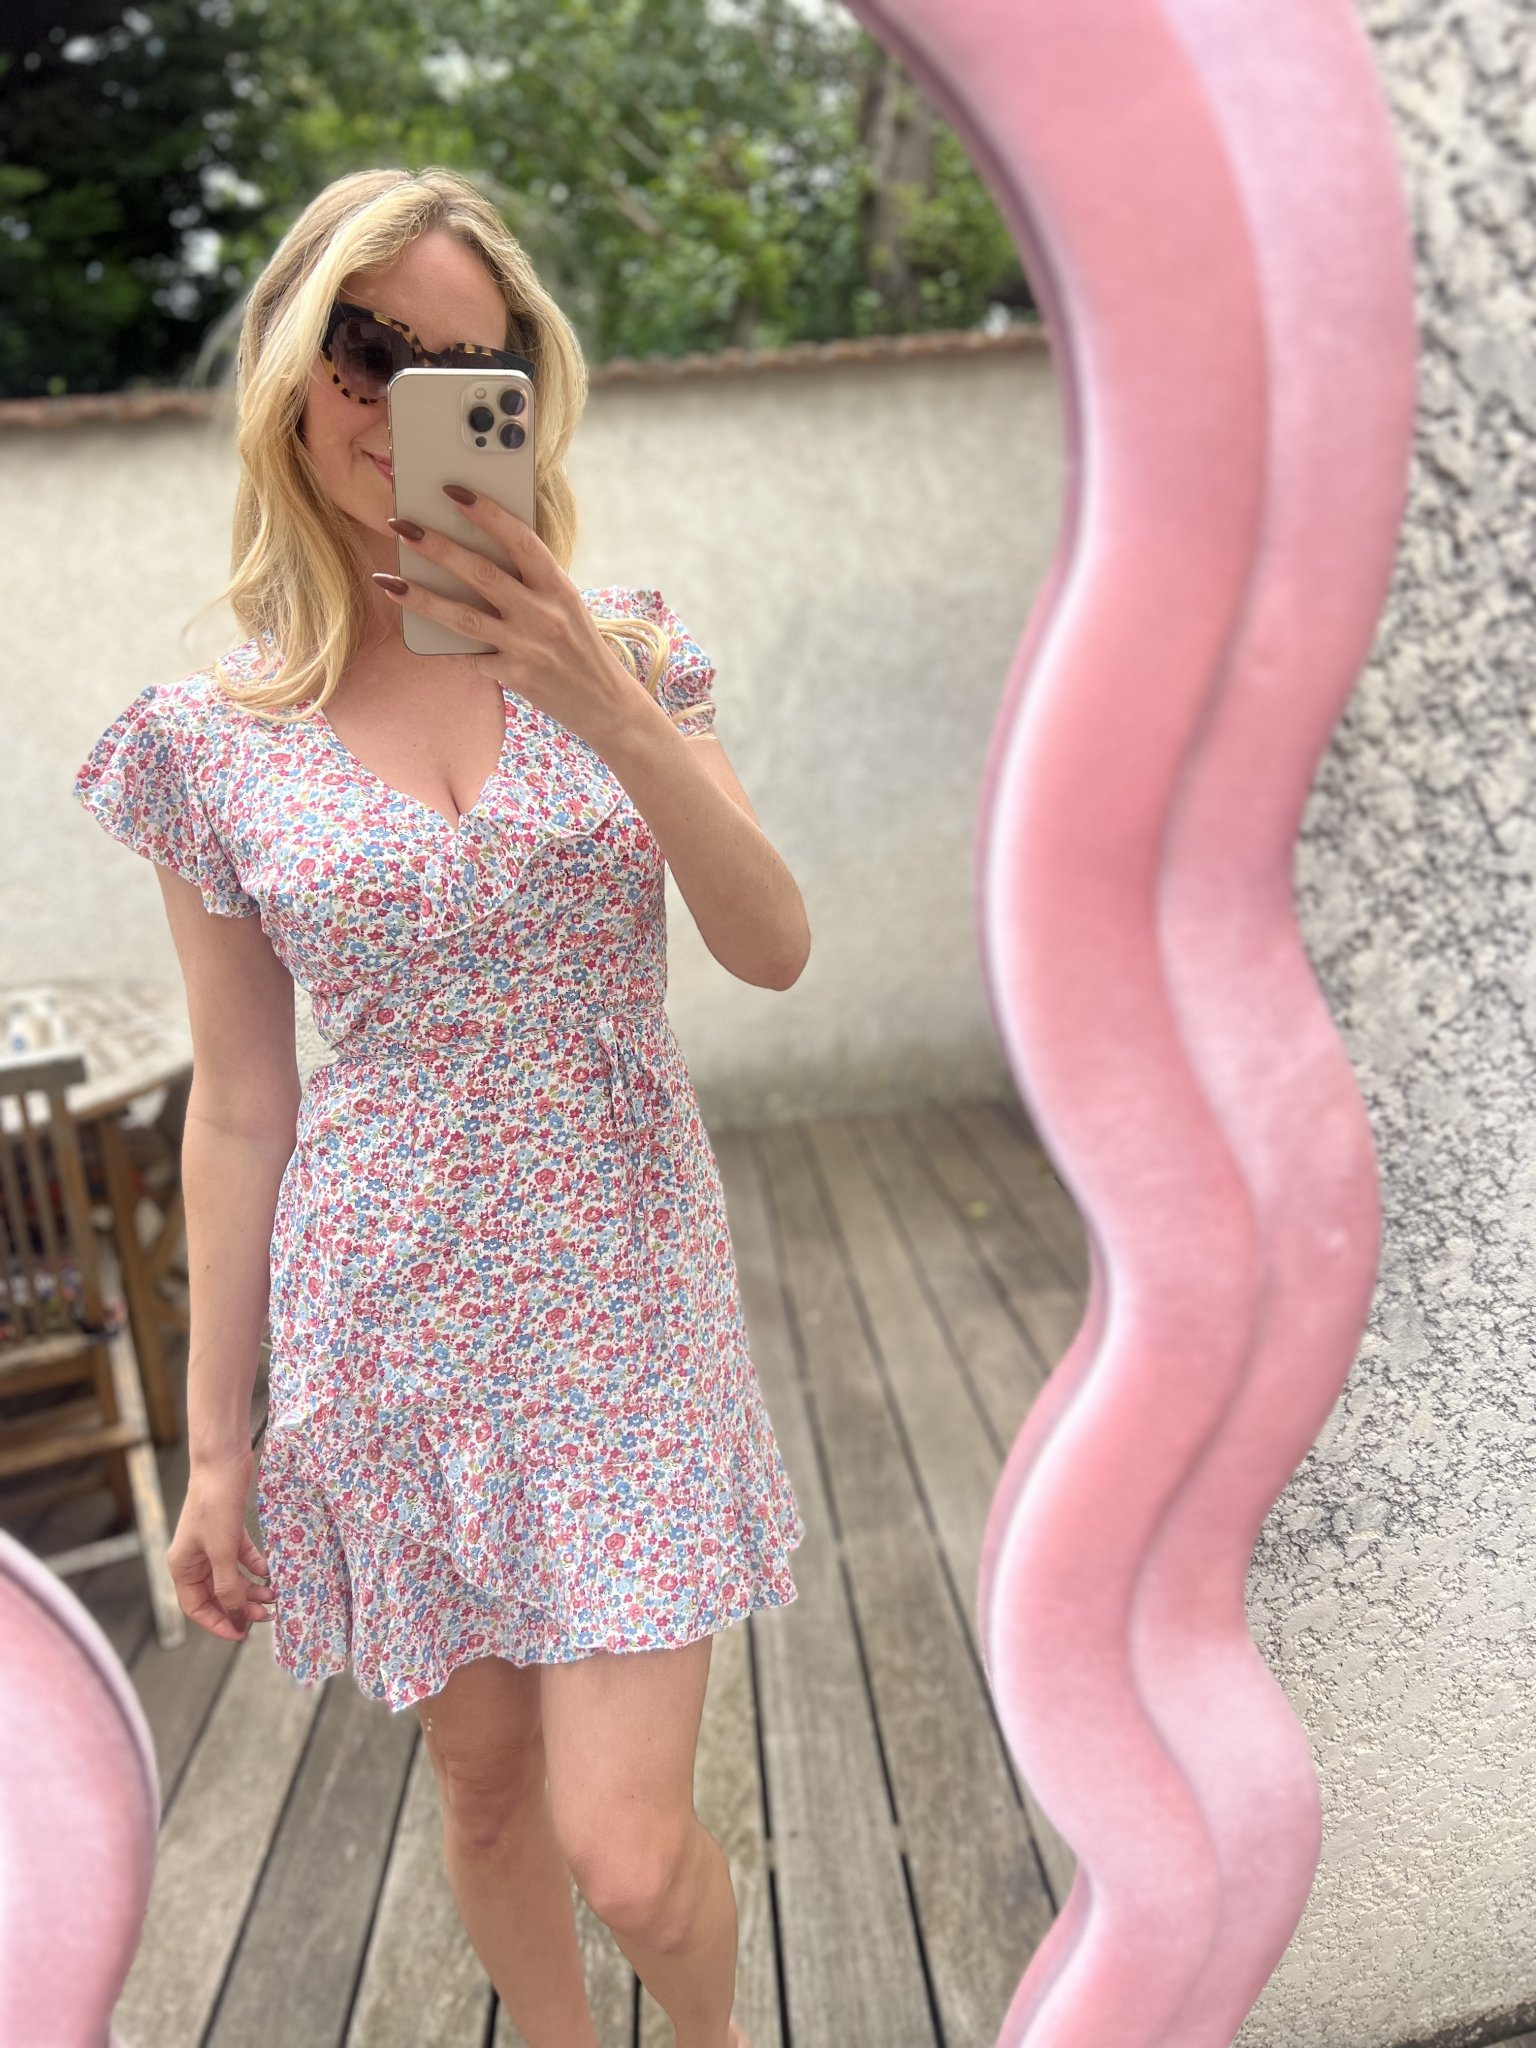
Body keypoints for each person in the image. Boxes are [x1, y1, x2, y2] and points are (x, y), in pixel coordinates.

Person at [70, 163, 809, 2048]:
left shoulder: (626, 646)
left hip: (623, 1293)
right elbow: (240, 1106)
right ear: (287, 370)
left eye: (461, 367)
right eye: (364, 346)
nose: (398, 399)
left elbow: (771, 945)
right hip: (388, 1313)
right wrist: (216, 1449)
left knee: (629, 1851)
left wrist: (602, 698)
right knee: (484, 1793)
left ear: (520, 398)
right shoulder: (209, 741)